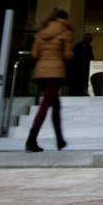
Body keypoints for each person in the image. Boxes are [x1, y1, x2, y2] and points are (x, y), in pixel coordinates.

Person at [26, 9, 73, 152]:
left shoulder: (41, 31)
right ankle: (31, 139)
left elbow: (34, 54)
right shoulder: (65, 31)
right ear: (64, 19)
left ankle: (60, 140)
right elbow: (68, 54)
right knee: (45, 106)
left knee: (55, 106)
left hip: (41, 73)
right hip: (55, 72)